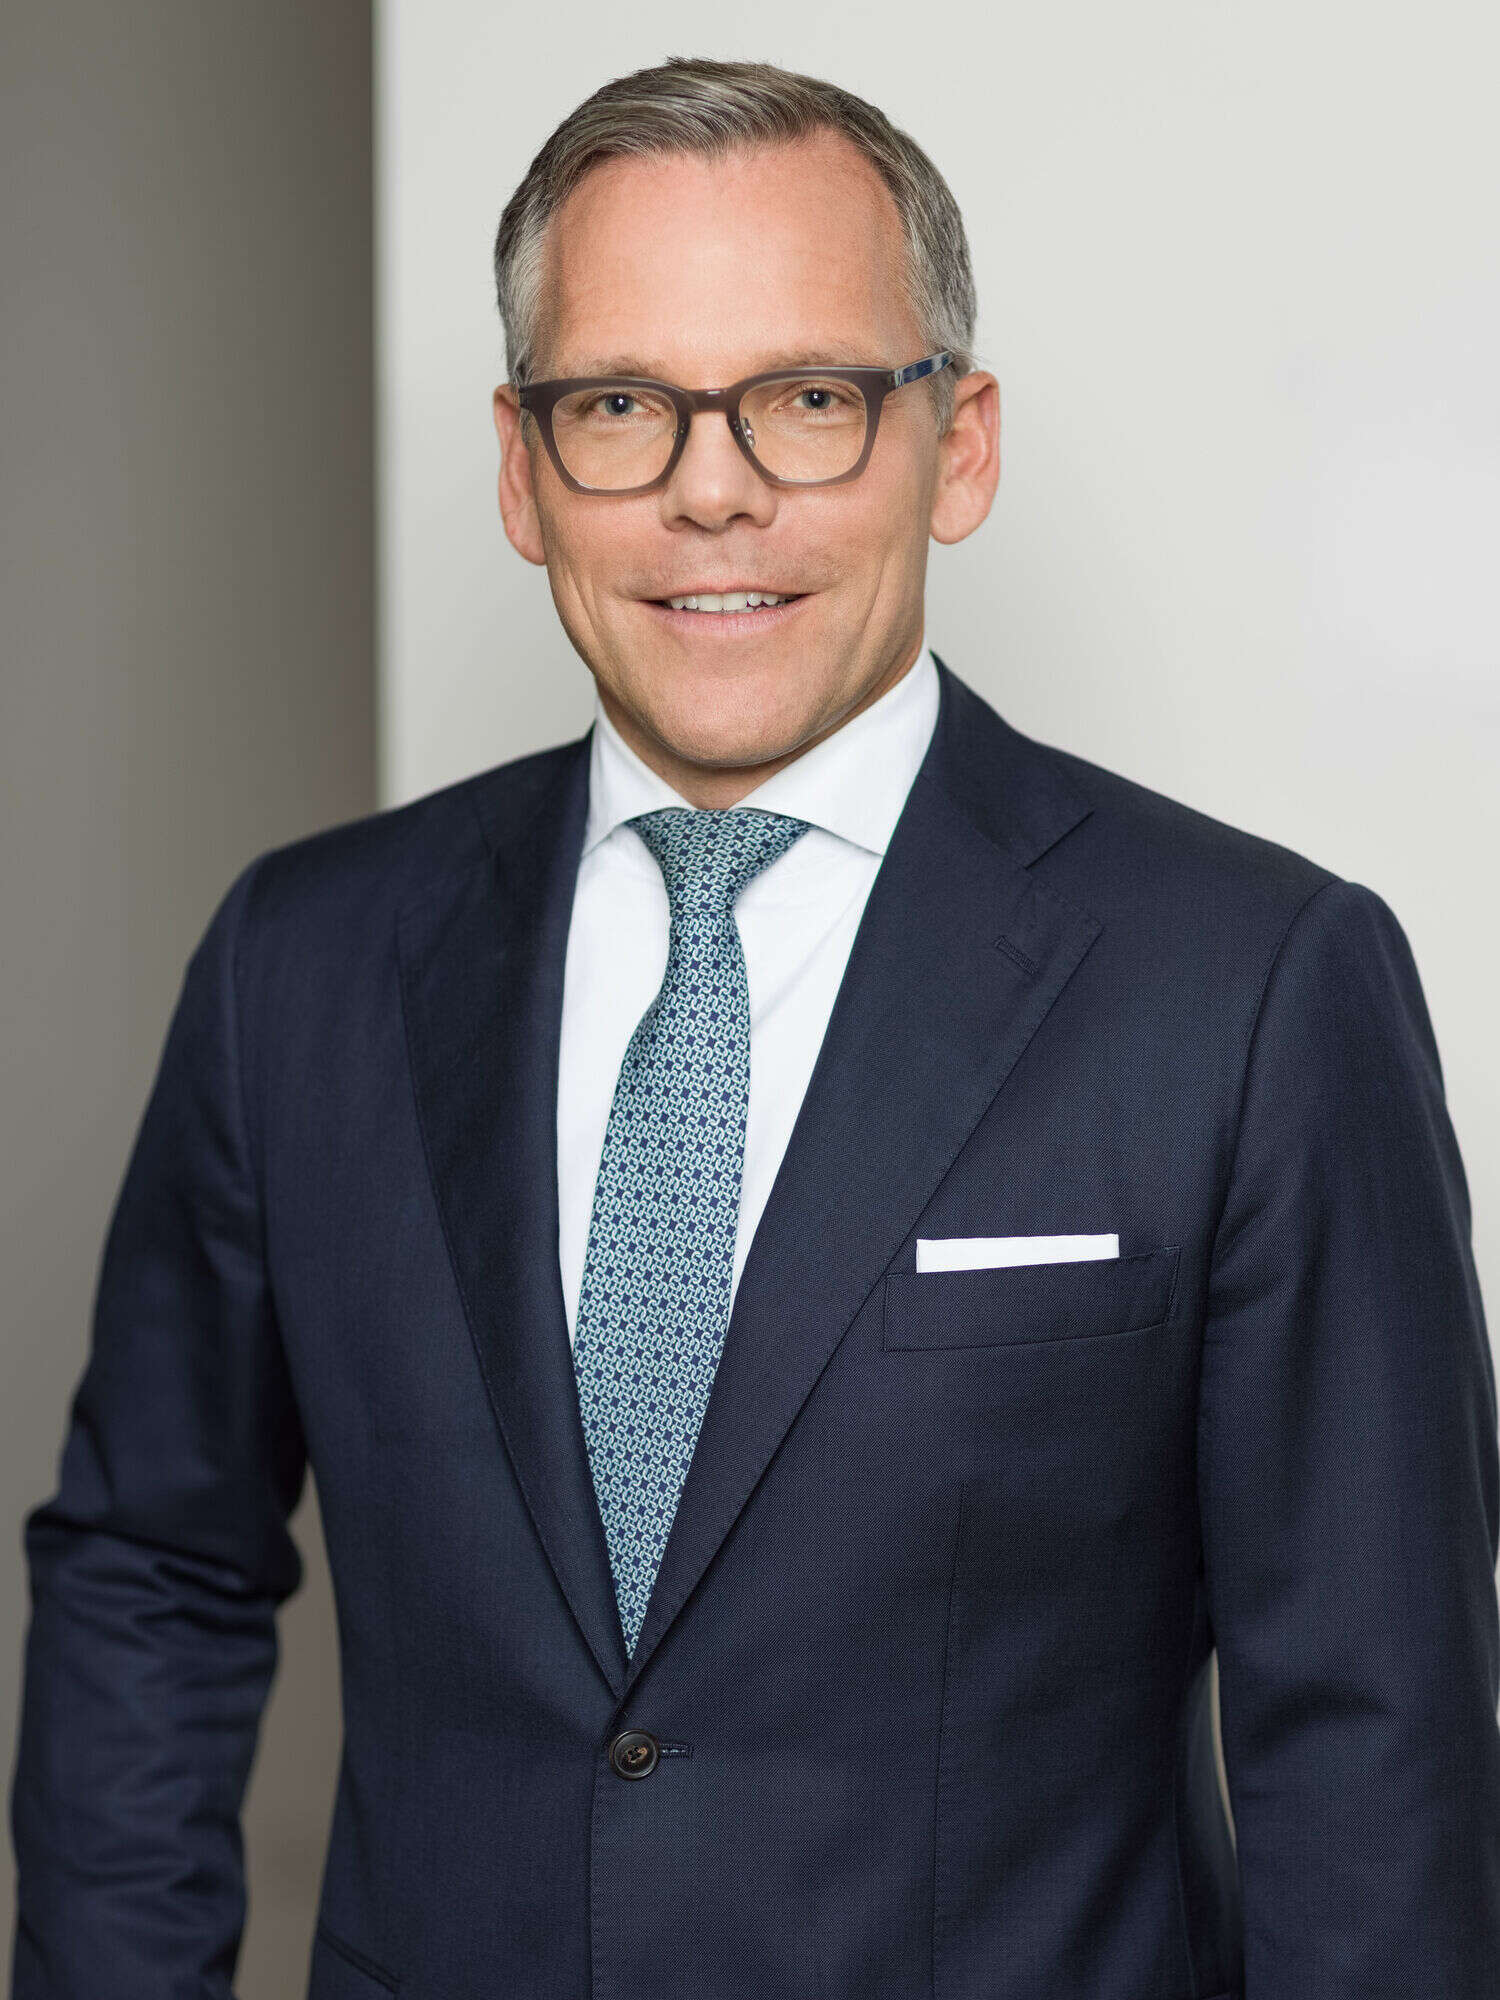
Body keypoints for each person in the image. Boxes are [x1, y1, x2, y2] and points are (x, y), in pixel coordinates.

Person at [10, 54, 1498, 2000]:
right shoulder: (300, 965)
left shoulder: (1254, 985)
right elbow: (154, 1571)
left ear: (957, 445)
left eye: (807, 397)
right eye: (622, 404)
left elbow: (1374, 1745)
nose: (711, 487)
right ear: (523, 468)